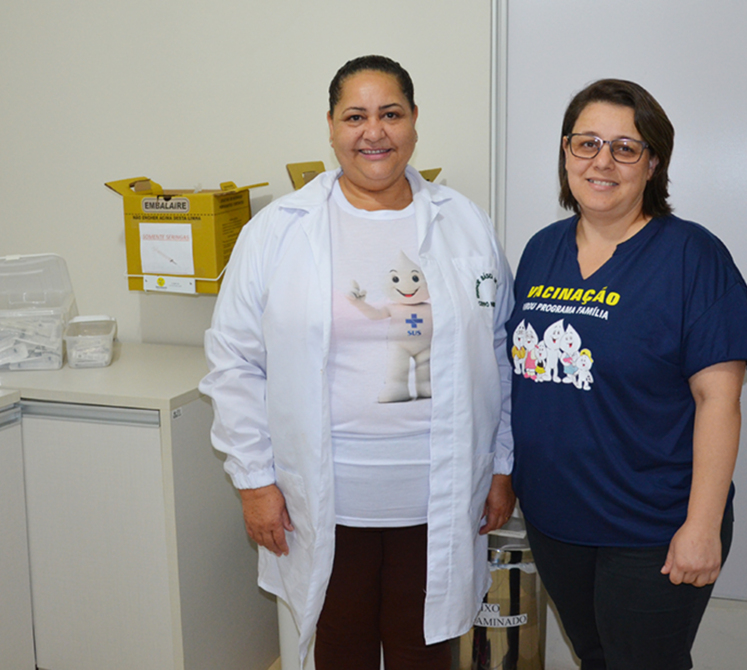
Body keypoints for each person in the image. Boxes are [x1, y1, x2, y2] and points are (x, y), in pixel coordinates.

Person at [199, 55, 515, 670]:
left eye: (391, 114)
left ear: (415, 122)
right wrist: (255, 482)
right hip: (324, 499)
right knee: (339, 652)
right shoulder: (279, 231)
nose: (375, 132)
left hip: (439, 497)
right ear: (331, 126)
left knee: (425, 655)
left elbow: (497, 352)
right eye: (356, 116)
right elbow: (234, 362)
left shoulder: (464, 223)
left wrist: (501, 464)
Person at [505, 78, 747, 670]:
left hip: (651, 524)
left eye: (625, 148)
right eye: (586, 143)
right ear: (566, 153)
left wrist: (702, 526)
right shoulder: (540, 250)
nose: (602, 161)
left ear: (653, 163)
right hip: (555, 519)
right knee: (597, 657)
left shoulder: (692, 257)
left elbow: (718, 400)